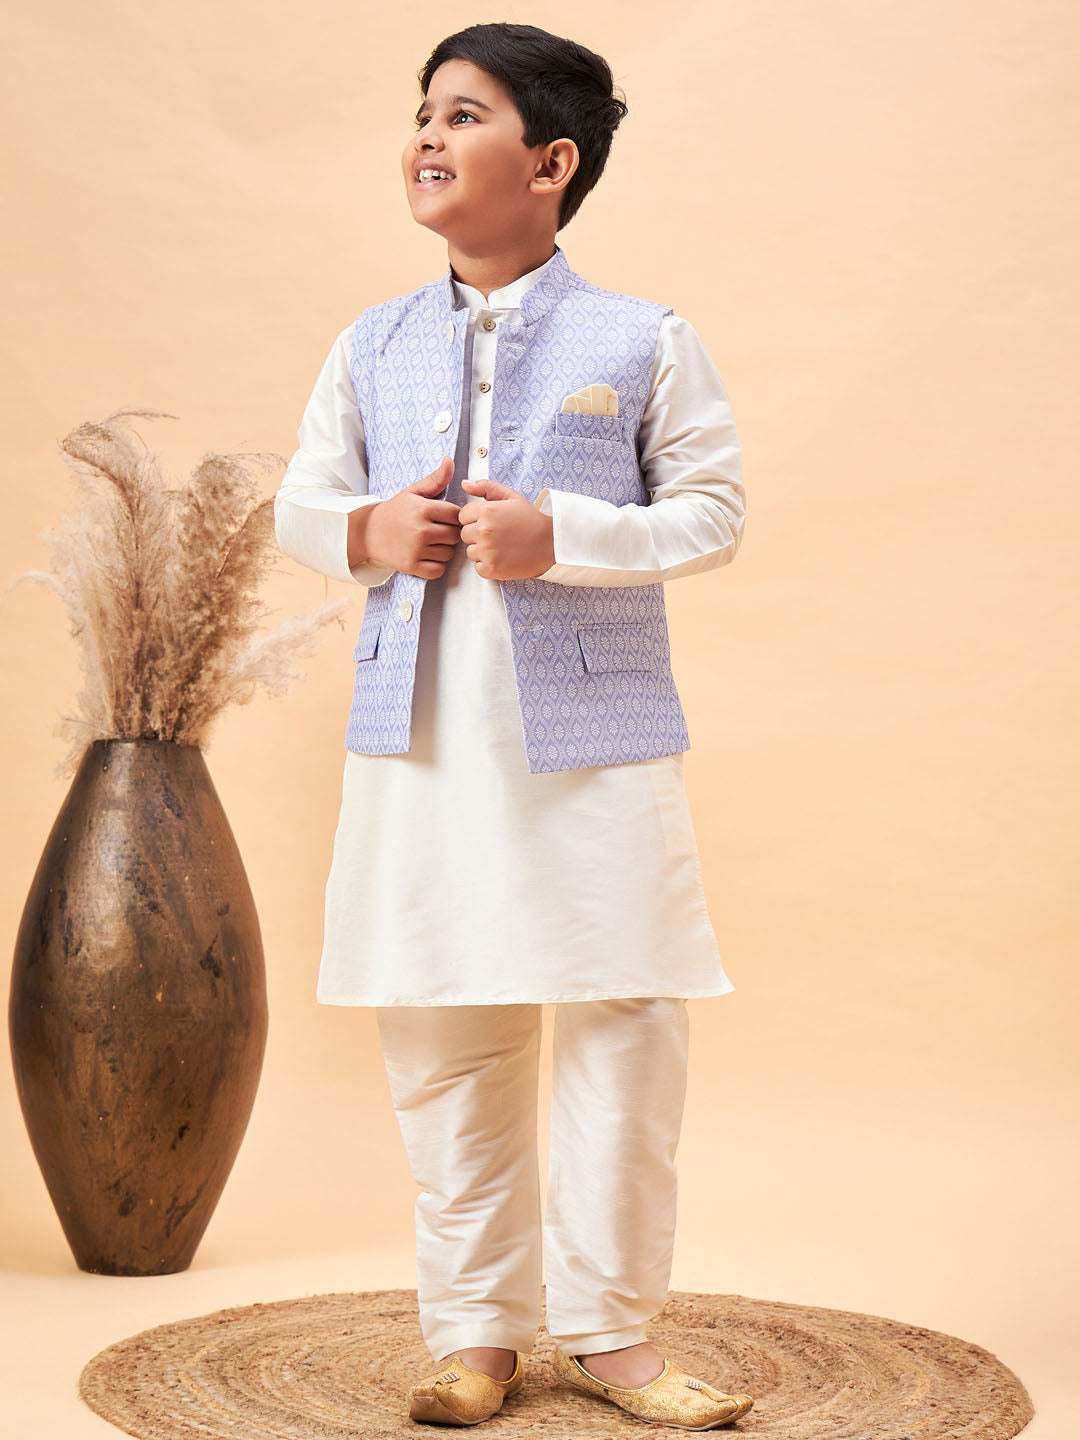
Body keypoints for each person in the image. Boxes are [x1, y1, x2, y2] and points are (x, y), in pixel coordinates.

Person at [274, 20, 754, 1430]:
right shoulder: (370, 344)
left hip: (598, 746)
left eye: (464, 114)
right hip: (422, 742)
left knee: (623, 1024)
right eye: (422, 112)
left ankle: (616, 1337)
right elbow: (304, 502)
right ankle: (475, 1337)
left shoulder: (646, 338)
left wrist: (567, 536)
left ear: (550, 165)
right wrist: (367, 530)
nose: (427, 136)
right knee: (444, 1030)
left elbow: (715, 513)